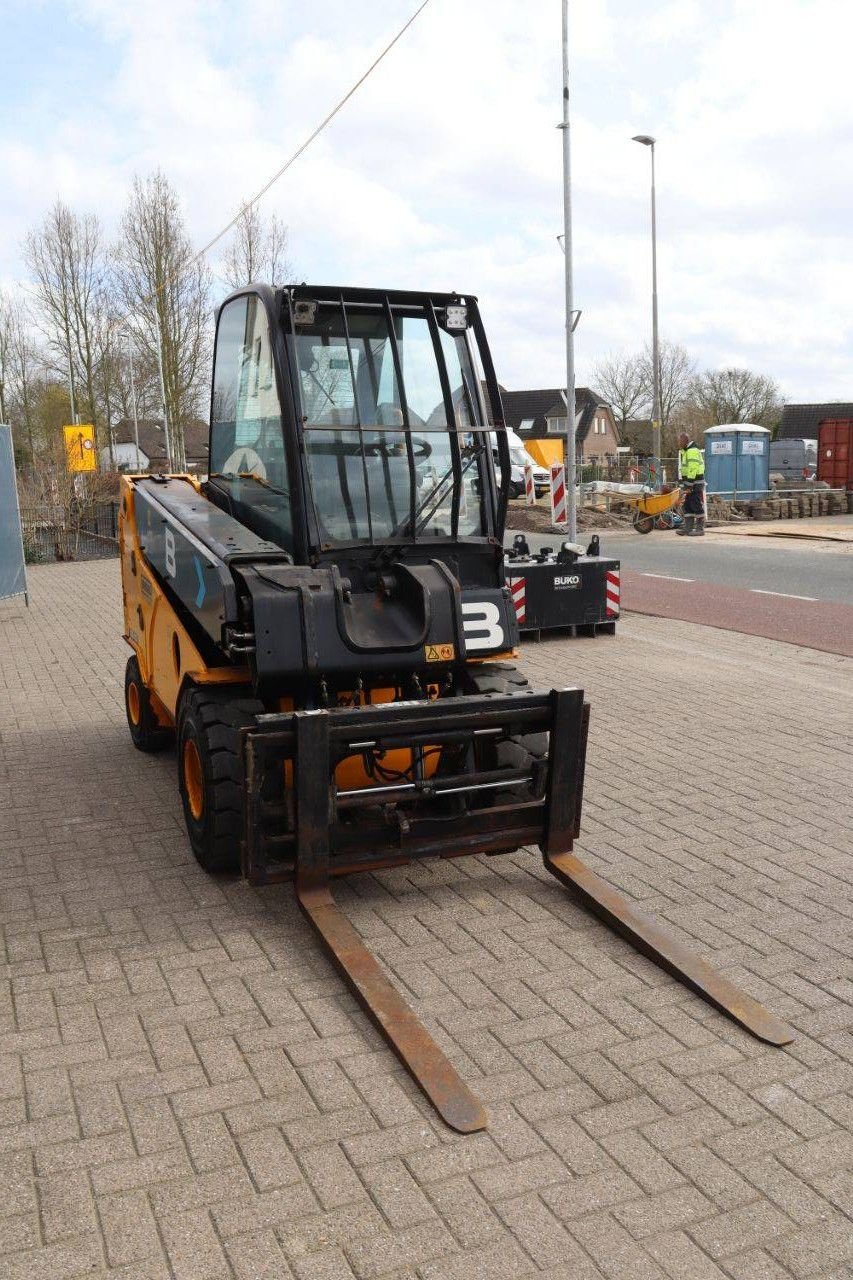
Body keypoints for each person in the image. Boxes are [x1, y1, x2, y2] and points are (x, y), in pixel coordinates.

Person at [676, 432, 706, 536]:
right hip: (690, 482)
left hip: (695, 482)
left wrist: (688, 484)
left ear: (685, 440)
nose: (678, 443)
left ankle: (700, 528)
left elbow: (693, 468)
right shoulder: (686, 451)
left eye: (680, 441)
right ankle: (688, 528)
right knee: (687, 505)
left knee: (696, 504)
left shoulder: (692, 451)